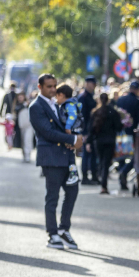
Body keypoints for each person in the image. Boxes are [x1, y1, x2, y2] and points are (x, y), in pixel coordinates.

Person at [29, 73, 83, 250]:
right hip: (51, 157)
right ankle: (52, 234)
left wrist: (75, 138)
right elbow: (48, 132)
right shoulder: (36, 106)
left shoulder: (59, 103)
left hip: (67, 156)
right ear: (40, 87)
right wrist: (73, 141)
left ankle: (63, 229)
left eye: (54, 86)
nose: (53, 89)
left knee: (73, 191)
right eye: (49, 87)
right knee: (52, 197)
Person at [85, 93, 123, 195]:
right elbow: (119, 126)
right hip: (110, 140)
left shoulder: (96, 112)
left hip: (99, 141)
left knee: (102, 162)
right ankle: (103, 185)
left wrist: (88, 142)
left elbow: (91, 129)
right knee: (106, 163)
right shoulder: (113, 112)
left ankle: (102, 183)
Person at [116, 80, 139, 191]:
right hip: (131, 133)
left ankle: (122, 175)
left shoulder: (120, 100)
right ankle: (124, 171)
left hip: (120, 132)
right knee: (136, 156)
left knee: (121, 155)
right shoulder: (137, 102)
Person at [57, 84, 83, 186]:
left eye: (57, 96)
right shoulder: (72, 102)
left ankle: (73, 174)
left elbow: (72, 115)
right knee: (70, 153)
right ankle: (73, 174)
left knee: (70, 154)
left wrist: (68, 127)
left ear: (62, 95)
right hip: (74, 130)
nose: (56, 99)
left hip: (72, 131)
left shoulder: (69, 104)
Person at [78, 76, 98, 184]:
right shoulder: (83, 97)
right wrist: (84, 132)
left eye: (93, 84)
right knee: (86, 154)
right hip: (86, 130)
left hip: (92, 130)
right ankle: (85, 177)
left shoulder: (91, 96)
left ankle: (93, 176)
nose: (91, 86)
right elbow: (82, 116)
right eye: (89, 83)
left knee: (92, 154)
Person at [15, 93, 34, 163]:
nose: (20, 99)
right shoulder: (18, 106)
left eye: (21, 97)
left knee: (28, 140)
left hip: (29, 126)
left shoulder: (29, 105)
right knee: (23, 141)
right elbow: (17, 109)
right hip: (21, 127)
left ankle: (28, 155)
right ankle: (24, 154)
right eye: (19, 97)